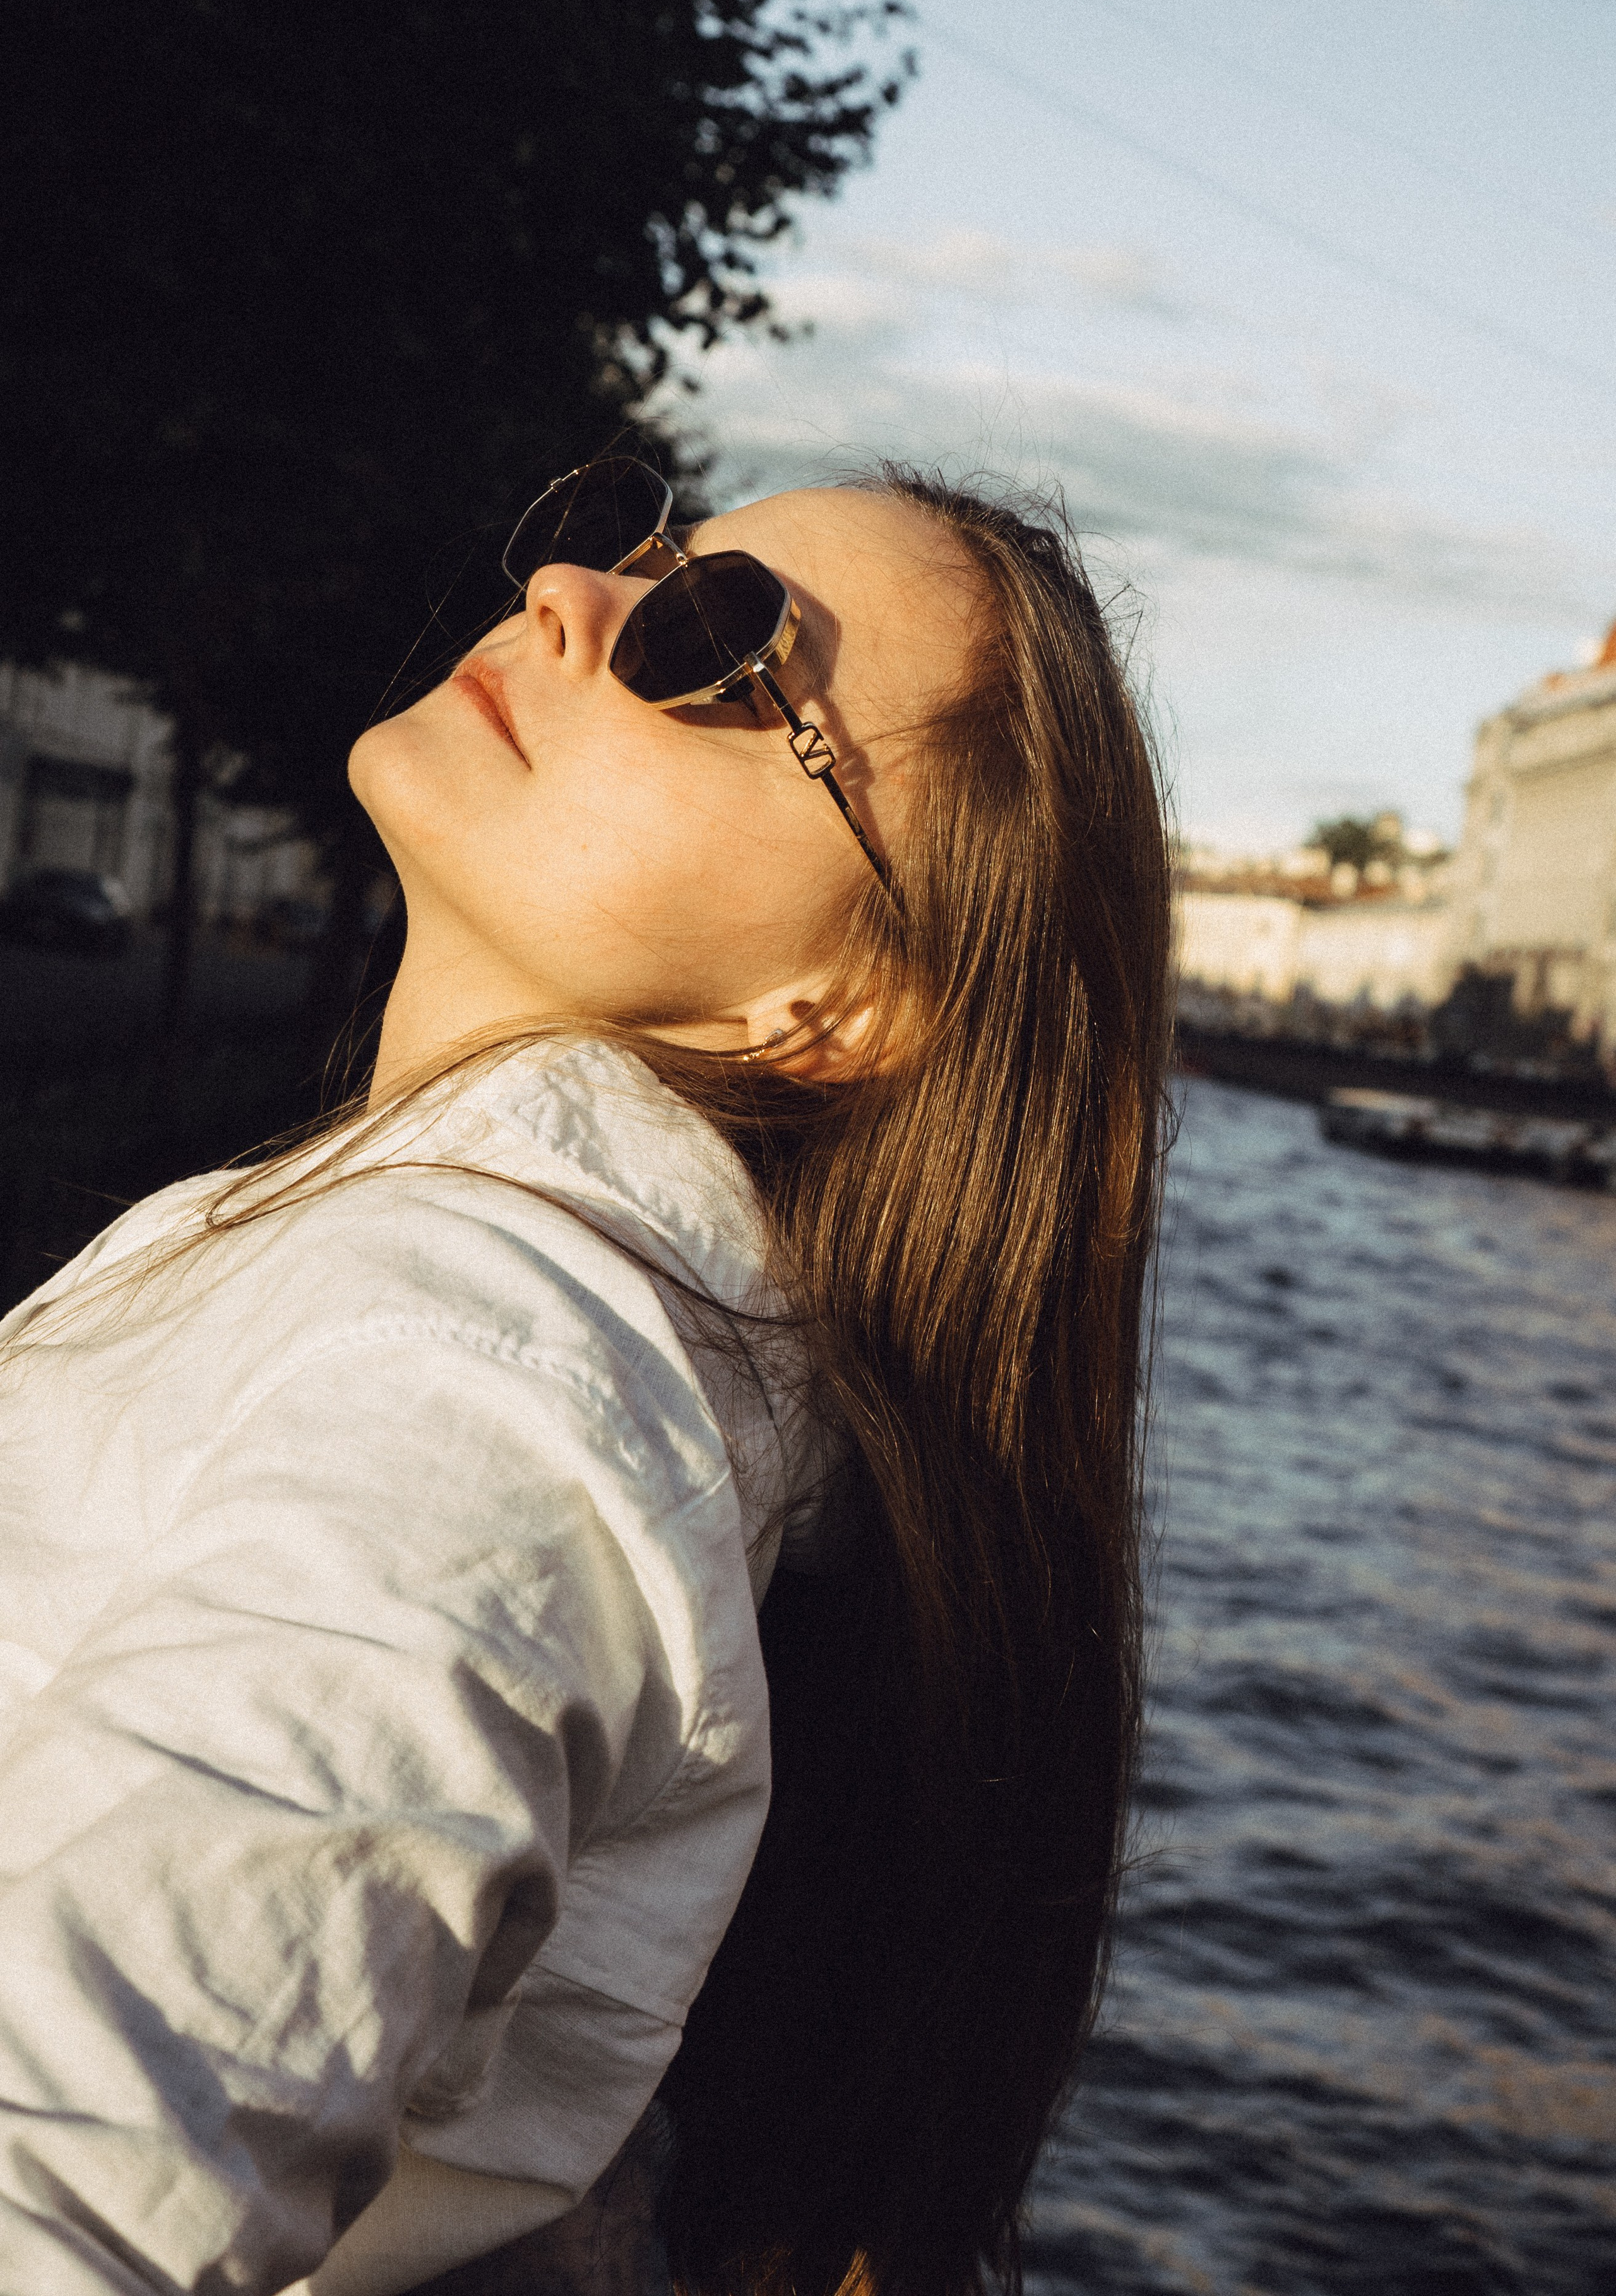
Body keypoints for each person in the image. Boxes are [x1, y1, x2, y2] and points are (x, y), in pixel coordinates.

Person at [0, 461, 1172, 2296]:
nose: (569, 592)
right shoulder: (521, 1320)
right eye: (647, 552)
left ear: (841, 1006)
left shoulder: (482, 1365)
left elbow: (75, 2158)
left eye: (716, 644)